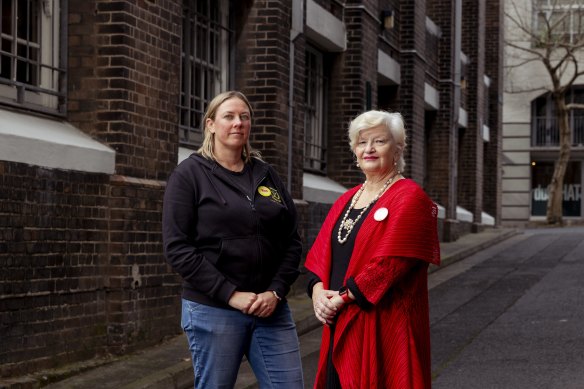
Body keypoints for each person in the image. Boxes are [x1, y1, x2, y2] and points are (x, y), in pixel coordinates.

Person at [162, 90, 304, 388]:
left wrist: (276, 291)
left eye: (244, 116)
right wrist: (230, 294)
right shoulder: (189, 175)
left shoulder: (266, 174)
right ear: (210, 124)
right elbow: (178, 248)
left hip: (270, 309)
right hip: (215, 309)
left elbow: (291, 240)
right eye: (229, 116)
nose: (238, 123)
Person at [304, 110, 441, 389]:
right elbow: (320, 255)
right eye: (361, 142)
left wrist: (339, 299)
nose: (368, 149)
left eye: (379, 141)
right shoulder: (346, 199)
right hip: (339, 321)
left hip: (383, 324)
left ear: (398, 148)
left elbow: (393, 263)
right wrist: (318, 293)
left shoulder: (410, 197)